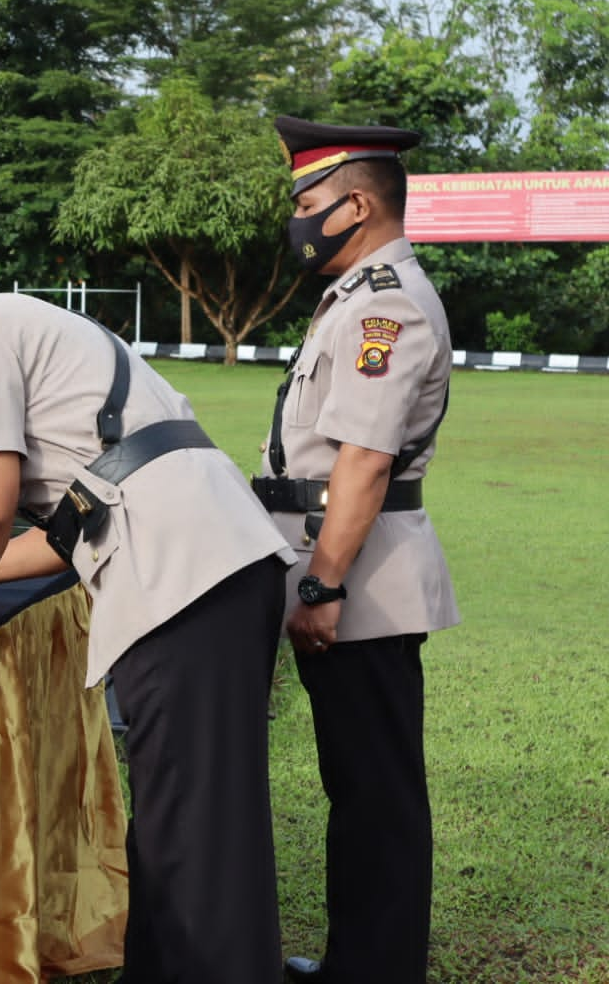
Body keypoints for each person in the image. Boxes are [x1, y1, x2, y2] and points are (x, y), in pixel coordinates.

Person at [0, 229, 296, 984]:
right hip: (208, 558)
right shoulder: (21, 321)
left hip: (179, 575)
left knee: (191, 824)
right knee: (196, 808)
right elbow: (68, 529)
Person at [253, 117, 459, 984]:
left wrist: (319, 586)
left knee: (374, 796)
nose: (297, 218)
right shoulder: (353, 297)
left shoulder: (384, 306)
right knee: (358, 789)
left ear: (357, 204)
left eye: (308, 201)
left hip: (358, 580)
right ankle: (358, 964)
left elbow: (364, 464)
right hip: (339, 568)